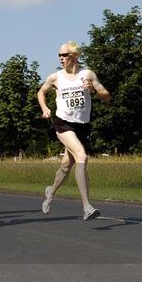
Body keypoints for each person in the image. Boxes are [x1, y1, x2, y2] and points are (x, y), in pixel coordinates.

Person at [37, 41, 110, 221]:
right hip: (63, 123)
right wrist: (45, 108)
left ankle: (50, 192)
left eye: (65, 55)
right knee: (82, 156)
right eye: (59, 56)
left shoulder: (88, 75)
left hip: (82, 126)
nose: (61, 58)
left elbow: (106, 97)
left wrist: (92, 90)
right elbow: (41, 92)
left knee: (65, 166)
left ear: (75, 56)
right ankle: (87, 207)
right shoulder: (55, 77)